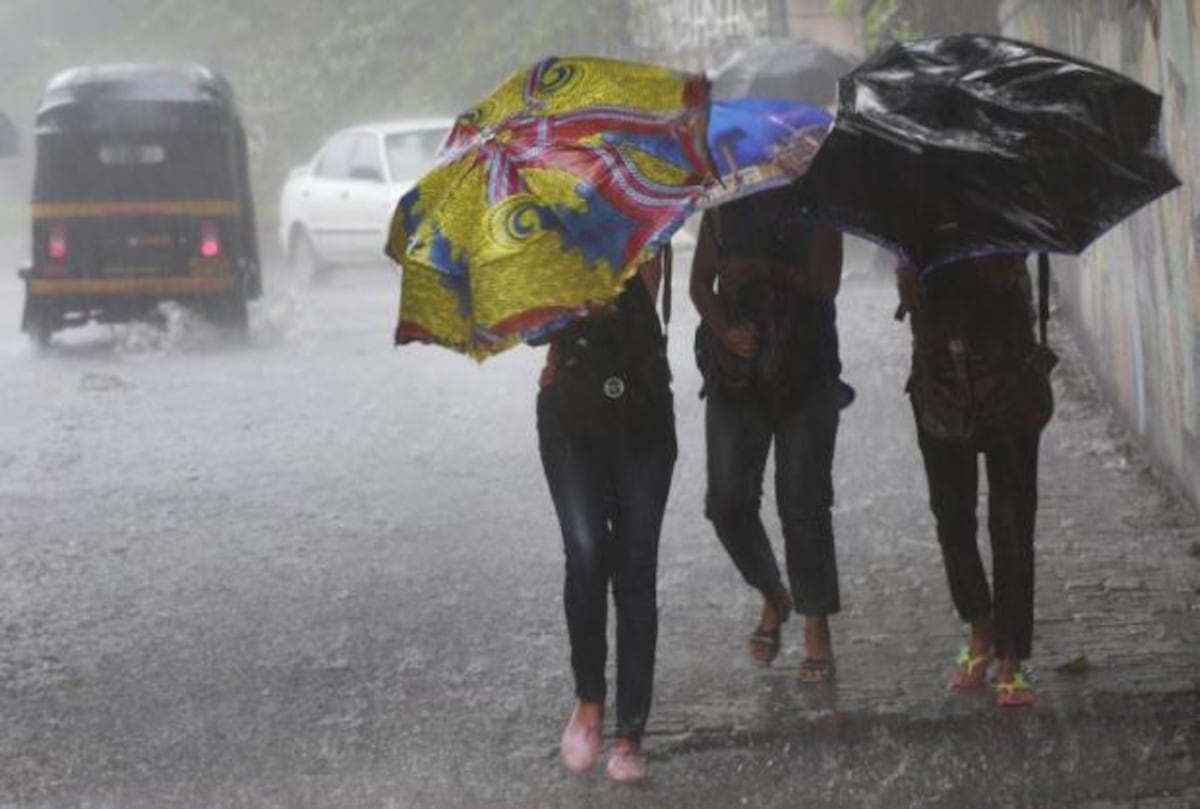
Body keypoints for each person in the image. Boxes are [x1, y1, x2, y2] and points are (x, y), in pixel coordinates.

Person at [689, 186, 846, 683]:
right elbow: (699, 285)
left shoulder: (819, 205)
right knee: (728, 500)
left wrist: (762, 268)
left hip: (806, 371)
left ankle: (816, 626)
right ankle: (773, 593)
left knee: (803, 500)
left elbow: (826, 283)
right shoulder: (722, 209)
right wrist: (723, 329)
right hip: (738, 374)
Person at [536, 248, 677, 783]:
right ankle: (589, 698)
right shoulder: (545, 218)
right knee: (588, 551)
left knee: (636, 568)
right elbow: (526, 324)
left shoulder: (646, 198)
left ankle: (630, 732)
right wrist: (570, 309)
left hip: (641, 411)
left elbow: (649, 285)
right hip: (570, 415)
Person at [898, 253, 1056, 707]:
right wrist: (908, 277)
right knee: (951, 516)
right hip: (940, 386)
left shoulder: (1003, 197)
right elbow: (909, 295)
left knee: (1011, 522)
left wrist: (989, 258)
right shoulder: (909, 211)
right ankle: (979, 627)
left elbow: (1004, 274)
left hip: (1007, 384)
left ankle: (1011, 657)